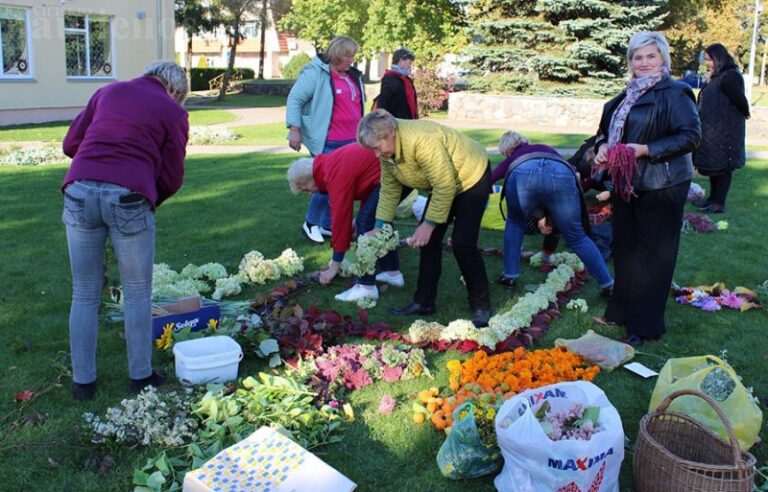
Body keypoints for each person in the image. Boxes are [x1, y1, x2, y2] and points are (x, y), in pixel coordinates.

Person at [61, 61, 189, 400]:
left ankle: (83, 383)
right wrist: (148, 195)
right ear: (175, 91)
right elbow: (173, 175)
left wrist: (96, 168)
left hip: (78, 191)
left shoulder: (108, 91)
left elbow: (71, 143)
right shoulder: (172, 111)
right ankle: (140, 376)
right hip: (129, 197)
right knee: (136, 292)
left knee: (85, 291)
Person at [594, 32, 701, 345]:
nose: (643, 63)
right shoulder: (622, 98)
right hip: (626, 183)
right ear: (630, 62)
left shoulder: (676, 93)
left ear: (663, 59)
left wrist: (646, 149)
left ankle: (645, 325)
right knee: (626, 248)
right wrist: (602, 148)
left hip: (663, 183)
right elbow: (602, 134)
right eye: (637, 57)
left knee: (653, 255)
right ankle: (619, 312)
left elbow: (690, 136)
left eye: (650, 56)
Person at [357, 109, 492, 327]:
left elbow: (444, 184)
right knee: (428, 244)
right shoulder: (387, 152)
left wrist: (428, 225)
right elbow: (390, 189)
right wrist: (379, 226)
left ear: (391, 133)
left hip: (471, 176)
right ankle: (424, 302)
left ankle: (481, 306)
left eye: (376, 148)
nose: (375, 155)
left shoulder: (420, 140)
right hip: (445, 185)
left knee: (462, 243)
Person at [491, 131, 614, 293]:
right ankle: (608, 284)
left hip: (522, 173)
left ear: (507, 150)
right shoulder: (547, 149)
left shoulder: (513, 158)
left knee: (515, 223)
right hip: (562, 174)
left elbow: (491, 179)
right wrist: (544, 214)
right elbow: (566, 176)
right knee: (577, 236)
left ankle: (509, 276)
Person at [286, 143, 407, 302]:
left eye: (306, 189)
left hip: (395, 174)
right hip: (392, 173)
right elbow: (368, 188)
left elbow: (340, 220)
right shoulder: (327, 166)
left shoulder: (332, 175)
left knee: (366, 223)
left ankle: (366, 287)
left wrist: (334, 266)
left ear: (310, 178)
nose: (310, 194)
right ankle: (392, 273)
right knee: (375, 221)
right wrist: (356, 222)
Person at [285, 36, 365, 244]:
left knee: (342, 186)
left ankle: (328, 225)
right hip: (328, 141)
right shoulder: (316, 73)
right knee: (327, 183)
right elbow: (295, 99)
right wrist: (294, 130)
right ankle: (310, 223)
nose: (351, 60)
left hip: (352, 141)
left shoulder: (352, 76)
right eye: (348, 55)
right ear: (337, 54)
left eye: (352, 55)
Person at [694, 43, 750, 214]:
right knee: (714, 165)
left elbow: (740, 101)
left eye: (710, 60)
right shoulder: (719, 77)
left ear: (719, 58)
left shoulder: (730, 77)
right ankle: (712, 199)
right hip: (714, 129)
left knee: (724, 166)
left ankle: (719, 203)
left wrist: (744, 114)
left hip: (725, 130)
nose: (707, 63)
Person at [375, 48, 418, 119]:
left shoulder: (407, 79)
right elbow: (383, 101)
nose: (410, 66)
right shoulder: (390, 77)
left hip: (407, 121)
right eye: (409, 63)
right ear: (401, 61)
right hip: (395, 121)